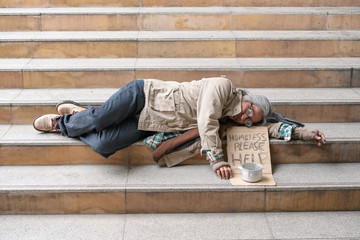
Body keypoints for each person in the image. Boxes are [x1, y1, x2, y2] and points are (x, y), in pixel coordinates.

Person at [33, 77, 326, 179]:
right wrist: (216, 158)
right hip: (143, 95)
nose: (244, 118)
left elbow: (271, 128)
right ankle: (63, 123)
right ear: (247, 98)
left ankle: (83, 113)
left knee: (102, 145)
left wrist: (304, 132)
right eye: (249, 110)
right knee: (99, 122)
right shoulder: (223, 87)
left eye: (250, 120)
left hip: (149, 123)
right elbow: (206, 119)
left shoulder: (232, 122)